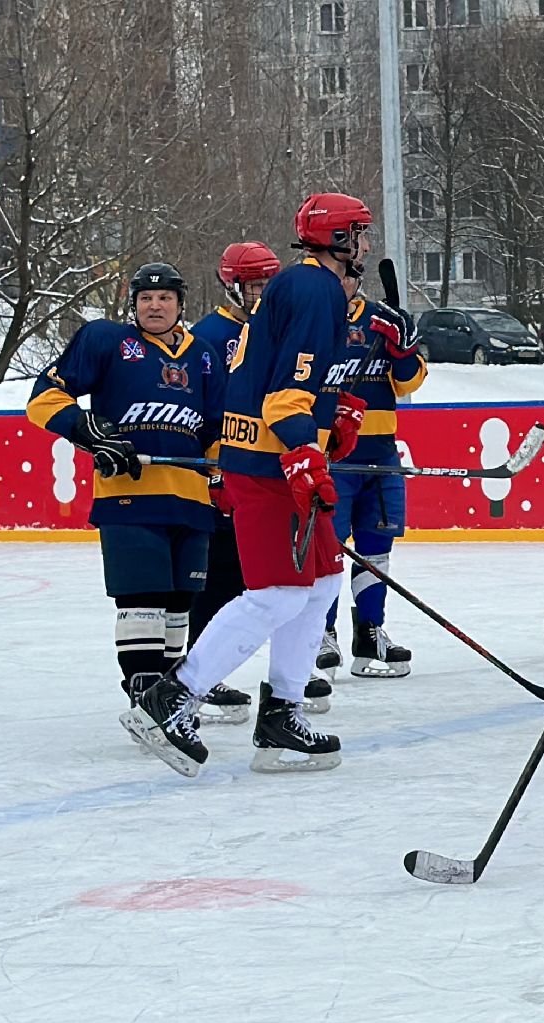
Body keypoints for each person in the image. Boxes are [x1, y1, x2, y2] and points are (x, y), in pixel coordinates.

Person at [122, 192, 384, 778]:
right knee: (278, 592)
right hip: (265, 465)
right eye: (360, 233)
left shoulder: (309, 288)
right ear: (340, 239)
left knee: (319, 584)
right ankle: (173, 699)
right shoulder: (316, 289)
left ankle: (280, 719)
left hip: (271, 455)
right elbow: (284, 395)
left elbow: (293, 378)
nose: (367, 244)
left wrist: (330, 419)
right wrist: (303, 450)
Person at [26, 262, 226, 717]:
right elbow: (43, 399)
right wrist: (86, 429)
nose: (155, 305)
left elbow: (217, 428)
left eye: (165, 298)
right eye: (145, 298)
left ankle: (172, 701)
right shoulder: (107, 341)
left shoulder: (206, 355)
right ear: (133, 303)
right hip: (129, 498)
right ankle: (145, 697)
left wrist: (223, 472)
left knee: (180, 606)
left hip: (191, 501)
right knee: (142, 599)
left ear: (180, 303)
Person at [186, 240, 331, 722]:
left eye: (267, 281)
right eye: (252, 283)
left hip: (277, 465)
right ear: (231, 285)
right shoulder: (209, 333)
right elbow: (214, 405)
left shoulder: (278, 317)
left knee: (311, 585)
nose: (261, 291)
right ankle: (187, 688)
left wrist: (329, 436)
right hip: (248, 470)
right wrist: (217, 464)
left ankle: (282, 706)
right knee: (243, 586)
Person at [315, 237, 426, 679]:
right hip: (332, 458)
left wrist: (404, 349)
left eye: (347, 276)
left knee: (377, 549)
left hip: (380, 455)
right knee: (328, 550)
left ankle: (370, 632)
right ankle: (322, 633)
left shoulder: (381, 320)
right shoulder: (313, 323)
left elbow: (408, 384)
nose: (341, 283)